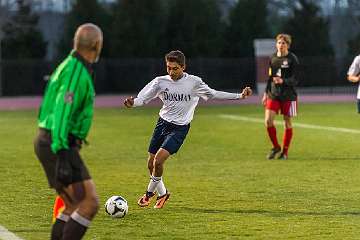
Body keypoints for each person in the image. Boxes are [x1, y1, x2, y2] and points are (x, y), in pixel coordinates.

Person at [124, 50, 252, 209]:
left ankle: (148, 194)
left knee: (159, 160)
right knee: (151, 164)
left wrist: (240, 96)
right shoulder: (160, 82)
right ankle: (163, 194)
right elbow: (143, 98)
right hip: (162, 124)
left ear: (183, 67)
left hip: (179, 129)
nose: (171, 72)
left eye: (175, 68)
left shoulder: (194, 83)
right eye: (168, 68)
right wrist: (133, 103)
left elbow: (213, 94)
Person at [34, 23, 103, 240]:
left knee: (73, 204)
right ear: (96, 44)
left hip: (52, 140)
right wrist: (63, 154)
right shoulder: (75, 70)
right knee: (88, 202)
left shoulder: (72, 66)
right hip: (57, 142)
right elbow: (62, 111)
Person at [262, 34, 299, 160]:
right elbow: (270, 77)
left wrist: (283, 81)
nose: (281, 45)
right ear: (276, 44)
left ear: (288, 45)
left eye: (284, 43)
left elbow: (296, 79)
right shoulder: (272, 58)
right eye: (279, 42)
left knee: (287, 122)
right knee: (268, 121)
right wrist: (265, 93)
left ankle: (285, 152)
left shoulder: (292, 59)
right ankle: (276, 146)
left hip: (289, 96)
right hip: (274, 94)